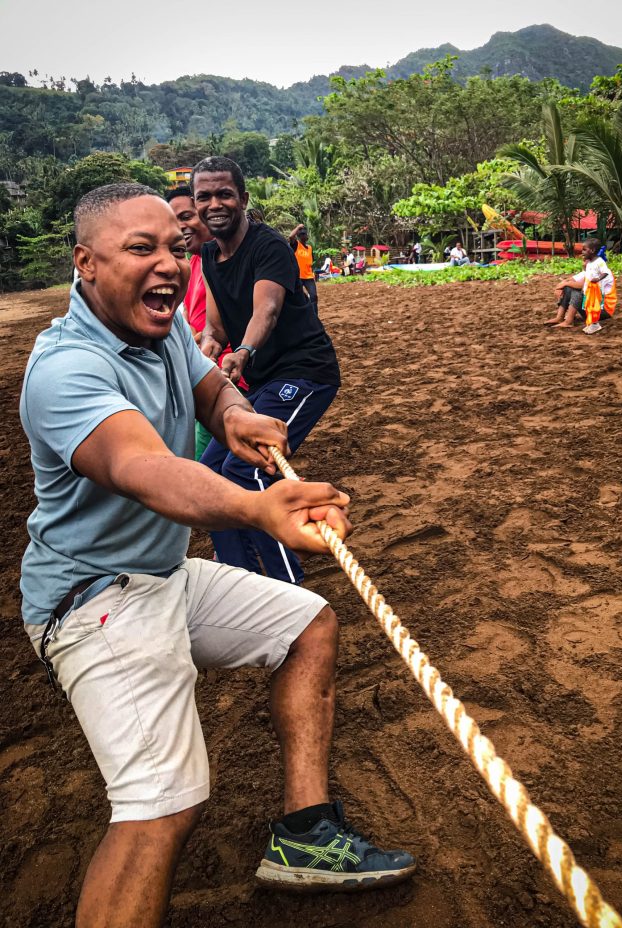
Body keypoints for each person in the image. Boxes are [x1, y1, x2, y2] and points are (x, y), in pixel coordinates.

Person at [19, 183, 416, 928]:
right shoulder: (64, 369)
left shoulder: (161, 324)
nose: (168, 264)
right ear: (86, 263)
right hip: (92, 600)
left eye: (176, 247)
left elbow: (211, 390)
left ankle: (304, 834)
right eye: (141, 249)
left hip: (162, 575)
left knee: (308, 627)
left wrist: (237, 415)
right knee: (161, 806)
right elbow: (145, 468)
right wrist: (257, 508)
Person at [191, 157, 341, 585]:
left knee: (248, 469)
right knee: (211, 472)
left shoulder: (268, 246)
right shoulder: (209, 254)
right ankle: (239, 577)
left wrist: (244, 352)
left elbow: (267, 310)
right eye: (204, 196)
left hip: (304, 373)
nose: (214, 204)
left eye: (224, 194)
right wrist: (207, 350)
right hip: (261, 381)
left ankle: (288, 586)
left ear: (243, 199)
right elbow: (215, 327)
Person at [165, 185, 247, 460]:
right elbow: (189, 321)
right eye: (174, 220)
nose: (181, 226)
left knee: (209, 462)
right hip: (203, 376)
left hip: (228, 380)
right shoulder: (191, 264)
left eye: (187, 216)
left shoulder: (226, 263)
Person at [544, 238, 617, 334]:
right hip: (592, 303)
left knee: (576, 291)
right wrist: (561, 286)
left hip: (603, 310)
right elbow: (570, 281)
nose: (582, 253)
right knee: (569, 288)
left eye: (584, 250)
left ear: (592, 251)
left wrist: (565, 284)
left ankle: (569, 321)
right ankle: (560, 317)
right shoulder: (590, 267)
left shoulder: (598, 267)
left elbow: (582, 285)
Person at [288, 223, 318, 313]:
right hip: (298, 277)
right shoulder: (296, 245)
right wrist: (298, 227)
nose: (303, 236)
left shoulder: (310, 248)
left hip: (309, 277)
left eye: (304, 234)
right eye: (301, 235)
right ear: (298, 237)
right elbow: (290, 236)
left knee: (313, 296)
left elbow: (310, 262)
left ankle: (314, 316)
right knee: (297, 298)